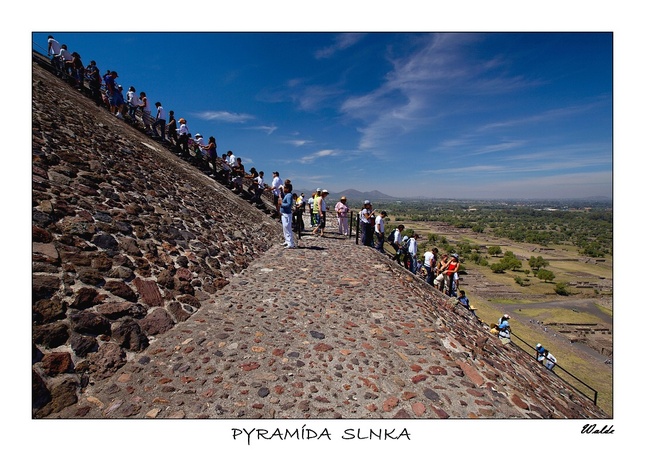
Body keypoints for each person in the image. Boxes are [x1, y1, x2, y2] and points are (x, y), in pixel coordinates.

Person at [279, 183, 297, 249]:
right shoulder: (287, 195)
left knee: (287, 227)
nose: (284, 189)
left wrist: (281, 204)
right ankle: (287, 240)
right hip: (284, 213)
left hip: (287, 214)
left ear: (288, 189)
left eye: (285, 188)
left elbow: (289, 204)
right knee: (285, 228)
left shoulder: (289, 195)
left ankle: (290, 243)